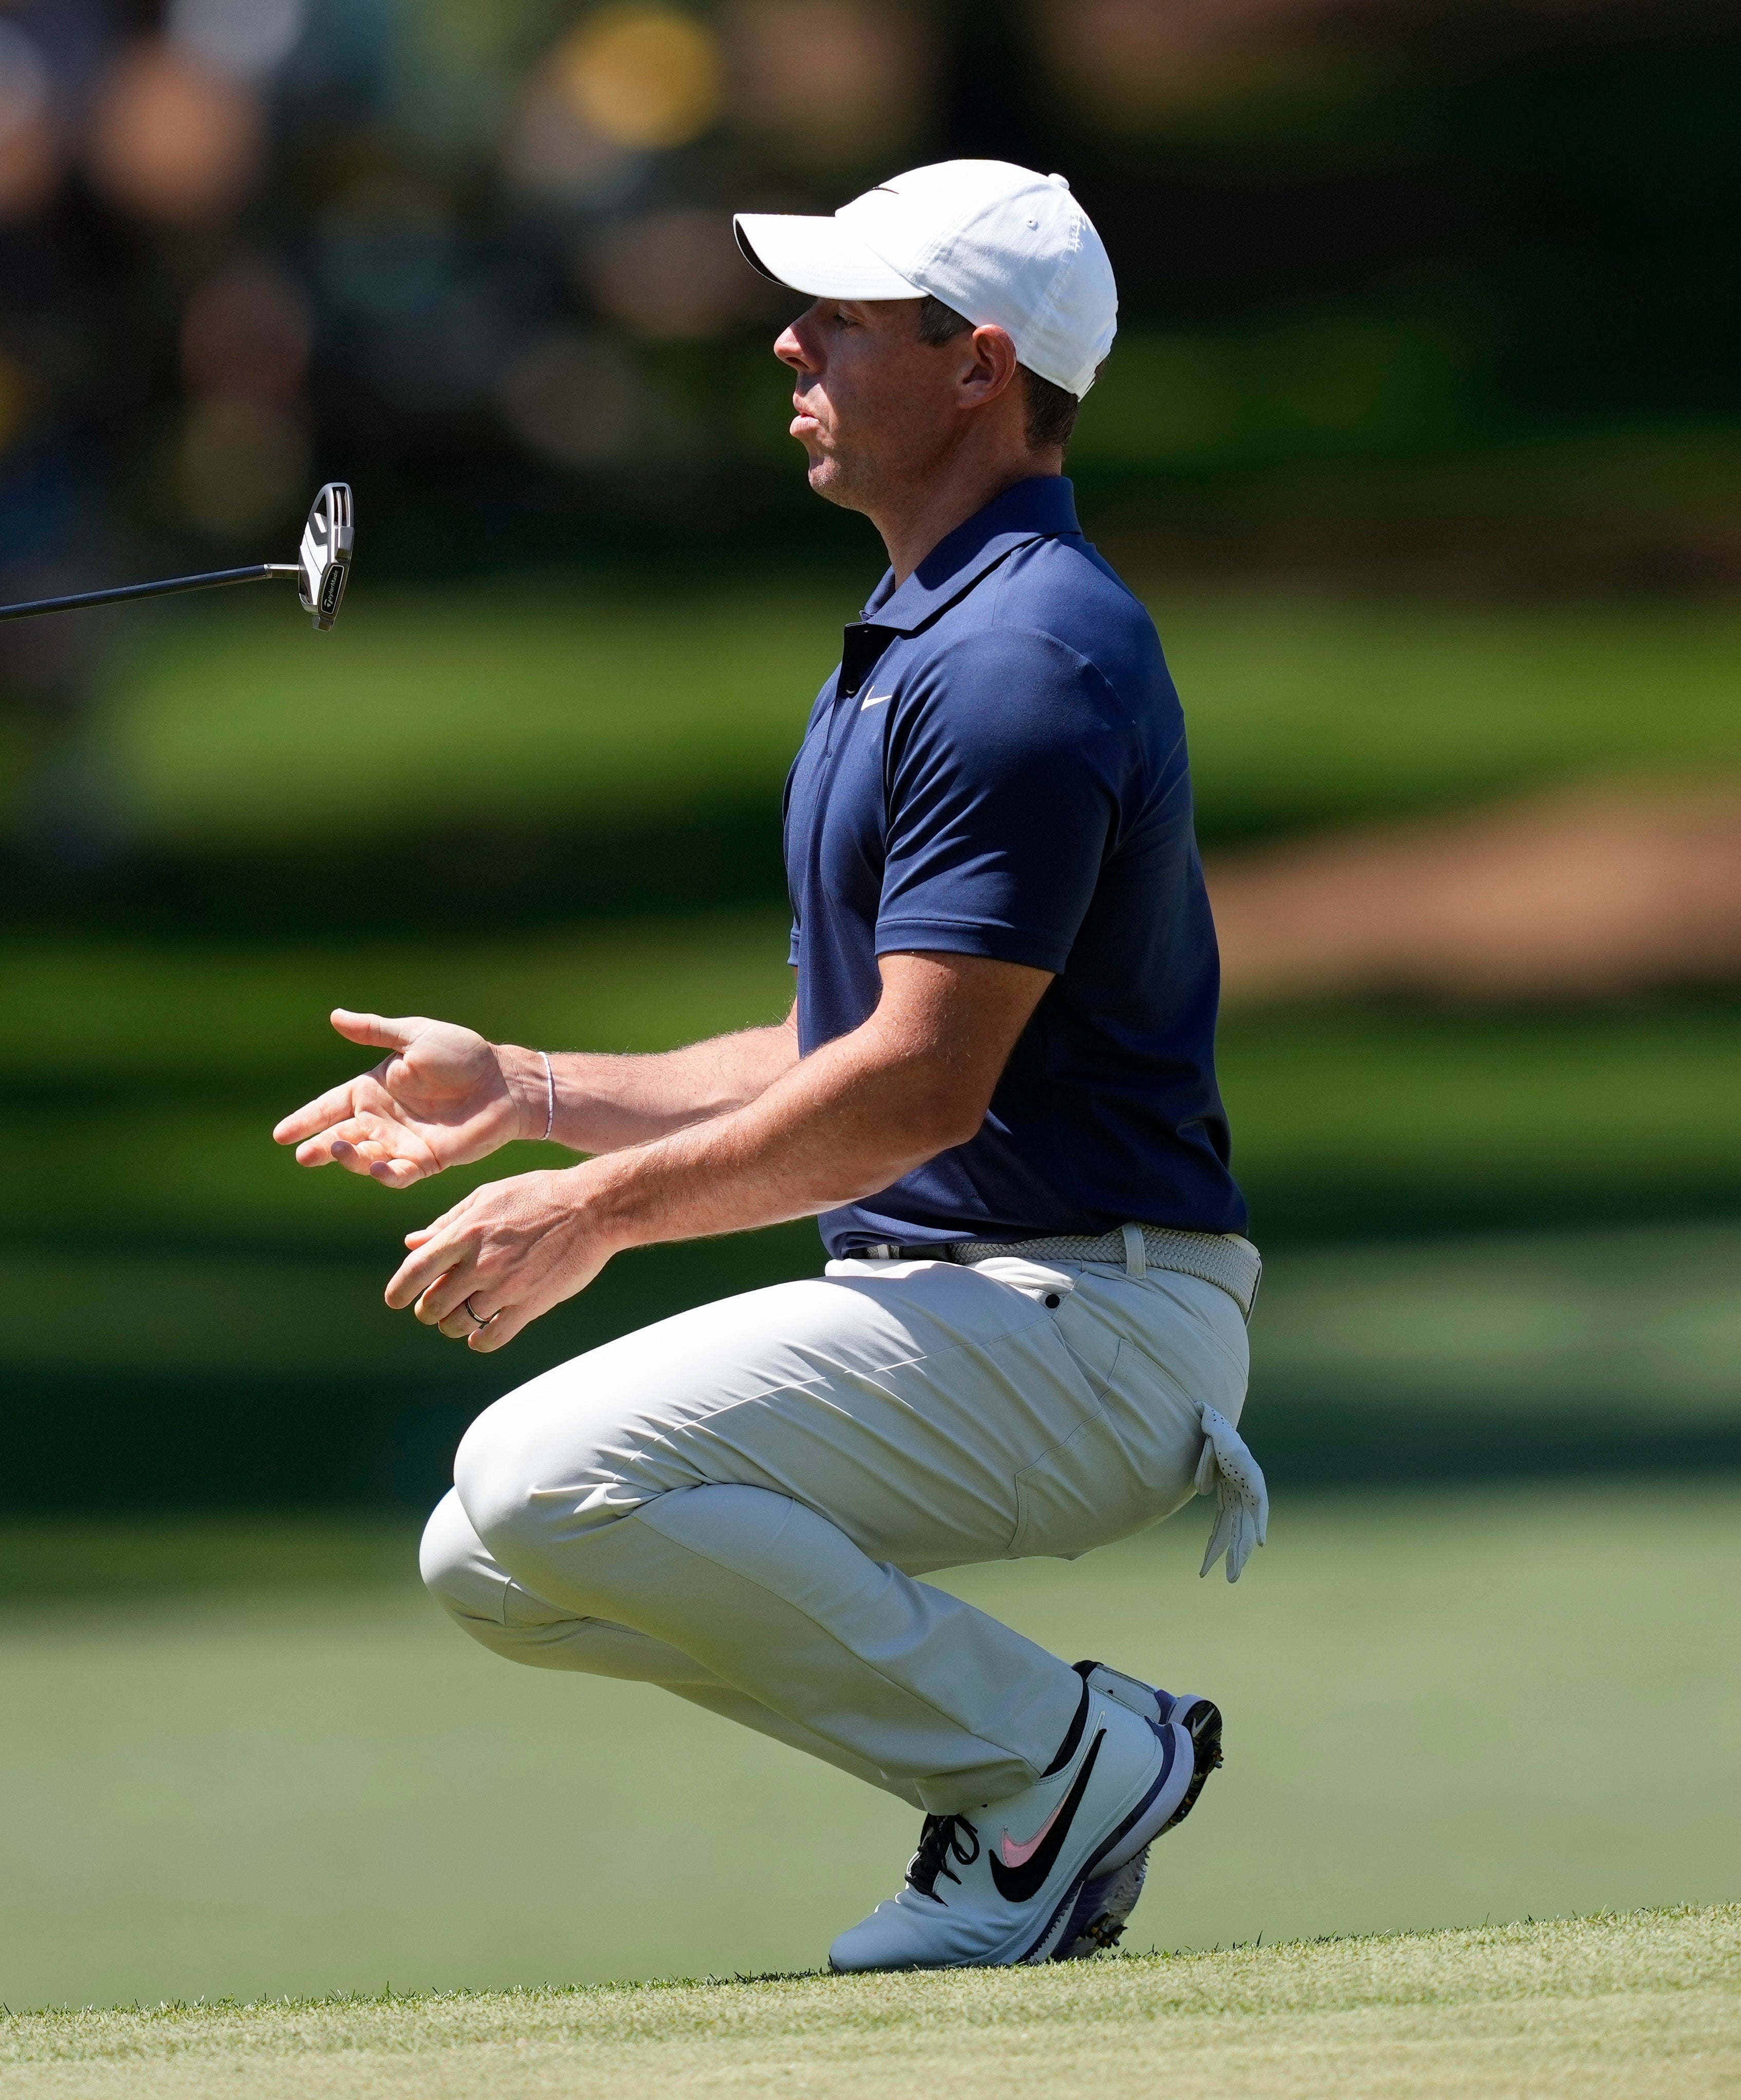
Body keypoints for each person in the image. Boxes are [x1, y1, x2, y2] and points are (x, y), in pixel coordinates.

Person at [271, 160, 1267, 1972]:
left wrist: (599, 1213)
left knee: (540, 1473)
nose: (786, 340)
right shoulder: (926, 635)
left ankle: (1053, 1764)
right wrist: (529, 1087)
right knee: (492, 1557)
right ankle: (1029, 1777)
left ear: (977, 367)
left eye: (841, 317)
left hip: (1086, 1315)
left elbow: (914, 1092)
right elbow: (849, 1041)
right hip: (992, 1305)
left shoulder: (1019, 659)